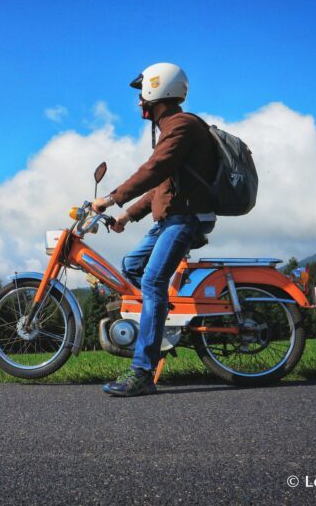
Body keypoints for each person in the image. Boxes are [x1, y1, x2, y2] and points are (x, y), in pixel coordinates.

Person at [92, 62, 218, 397]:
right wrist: (127, 216)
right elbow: (162, 185)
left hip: (185, 218)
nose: (138, 103)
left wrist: (111, 198)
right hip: (170, 219)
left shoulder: (181, 127)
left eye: (141, 94)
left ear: (155, 92)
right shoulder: (173, 128)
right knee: (132, 267)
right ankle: (160, 323)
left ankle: (143, 372)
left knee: (152, 281)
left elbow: (154, 169)